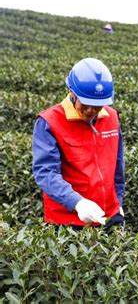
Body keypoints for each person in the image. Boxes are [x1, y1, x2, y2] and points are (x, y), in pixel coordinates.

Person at [32, 58, 125, 229]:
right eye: (86, 104)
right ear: (71, 93)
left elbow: (118, 168)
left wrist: (118, 202)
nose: (91, 111)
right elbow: (46, 173)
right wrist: (77, 203)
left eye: (97, 106)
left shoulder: (112, 118)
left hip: (109, 215)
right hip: (67, 220)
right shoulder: (49, 121)